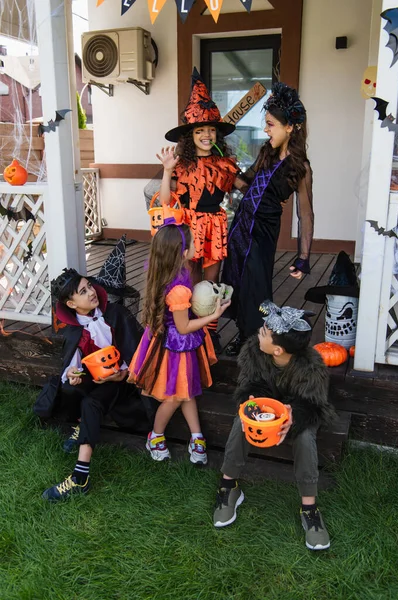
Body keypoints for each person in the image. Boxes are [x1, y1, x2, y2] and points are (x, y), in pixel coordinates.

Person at [213, 300, 335, 551]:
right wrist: (252, 400)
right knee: (241, 421)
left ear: (278, 349)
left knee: (304, 437)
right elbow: (247, 386)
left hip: (295, 415)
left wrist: (294, 416)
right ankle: (229, 487)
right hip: (264, 412)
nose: (259, 332)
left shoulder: (312, 366)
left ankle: (309, 508)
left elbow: (314, 405)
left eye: (265, 332)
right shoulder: (253, 352)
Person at [35, 269, 143, 501]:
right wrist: (72, 373)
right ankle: (81, 426)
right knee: (69, 386)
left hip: (120, 381)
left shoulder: (115, 314)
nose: (91, 292)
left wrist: (121, 374)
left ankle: (80, 476)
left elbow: (136, 352)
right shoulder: (75, 329)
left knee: (92, 403)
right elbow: (71, 364)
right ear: (71, 303)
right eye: (83, 292)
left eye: (90, 286)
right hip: (94, 378)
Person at [222, 82, 314, 356]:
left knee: (256, 286)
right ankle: (243, 335)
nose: (265, 129)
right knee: (237, 280)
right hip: (241, 224)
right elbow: (246, 184)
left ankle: (257, 341)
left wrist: (304, 257)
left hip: (262, 232)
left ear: (290, 127)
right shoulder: (266, 153)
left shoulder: (300, 167)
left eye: (271, 124)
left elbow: (305, 213)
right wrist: (226, 167)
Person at [128, 221, 230, 465]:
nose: (197, 244)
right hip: (175, 348)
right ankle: (156, 435)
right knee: (174, 396)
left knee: (188, 391)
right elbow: (184, 327)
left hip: (171, 341)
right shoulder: (179, 290)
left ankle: (197, 436)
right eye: (193, 242)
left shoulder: (172, 271)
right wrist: (212, 316)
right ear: (183, 252)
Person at [157, 67, 244, 351]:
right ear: (190, 135)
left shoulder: (226, 165)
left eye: (210, 129)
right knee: (191, 280)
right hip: (189, 226)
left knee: (213, 280)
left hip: (215, 224)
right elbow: (166, 201)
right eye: (200, 130)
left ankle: (211, 333)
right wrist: (167, 171)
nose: (206, 134)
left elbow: (244, 187)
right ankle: (191, 329)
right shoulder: (181, 165)